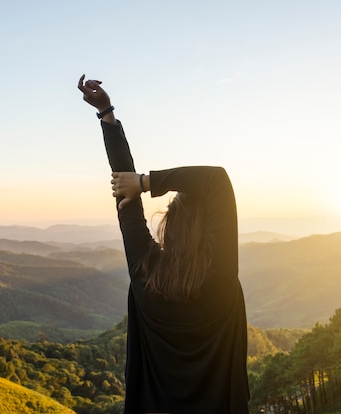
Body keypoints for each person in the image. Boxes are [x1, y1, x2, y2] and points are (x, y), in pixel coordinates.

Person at [77, 75, 250, 413]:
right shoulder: (221, 278)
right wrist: (147, 182)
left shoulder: (144, 275)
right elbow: (216, 179)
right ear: (208, 231)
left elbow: (124, 195)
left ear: (170, 226)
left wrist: (107, 115)